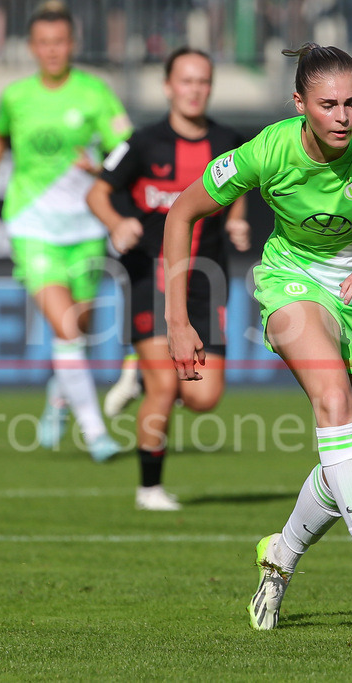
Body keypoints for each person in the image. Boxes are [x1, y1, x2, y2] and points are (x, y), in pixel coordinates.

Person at [163, 43, 352, 629]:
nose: (344, 116)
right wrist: (178, 321)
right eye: (328, 104)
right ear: (299, 103)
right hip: (292, 281)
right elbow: (182, 213)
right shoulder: (268, 150)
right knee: (333, 405)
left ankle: (281, 555)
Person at [86, 47, 250, 511]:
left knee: (203, 396)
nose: (195, 90)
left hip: (207, 280)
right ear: (168, 86)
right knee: (166, 386)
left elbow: (240, 188)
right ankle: (149, 489)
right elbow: (98, 193)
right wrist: (117, 223)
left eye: (203, 82)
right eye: (186, 81)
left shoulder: (229, 141)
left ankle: (136, 377)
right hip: (151, 278)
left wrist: (236, 219)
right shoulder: (142, 143)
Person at [0, 1, 133, 462]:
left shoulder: (94, 93)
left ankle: (61, 388)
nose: (52, 51)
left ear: (72, 44)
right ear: (31, 47)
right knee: (65, 326)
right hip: (32, 224)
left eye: (59, 42)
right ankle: (95, 432)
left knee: (78, 329)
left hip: (85, 226)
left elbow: (127, 148)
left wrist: (103, 165)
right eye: (43, 43)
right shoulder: (16, 96)